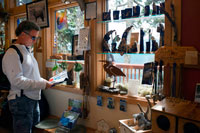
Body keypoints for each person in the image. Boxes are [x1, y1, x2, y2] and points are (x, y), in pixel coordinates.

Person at [2, 20, 53, 133]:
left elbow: (32, 76)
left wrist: (46, 81)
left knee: (35, 129)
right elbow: (17, 81)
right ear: (23, 34)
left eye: (36, 38)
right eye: (33, 37)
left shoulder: (26, 51)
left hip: (32, 98)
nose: (35, 41)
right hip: (21, 101)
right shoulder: (12, 53)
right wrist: (43, 84)